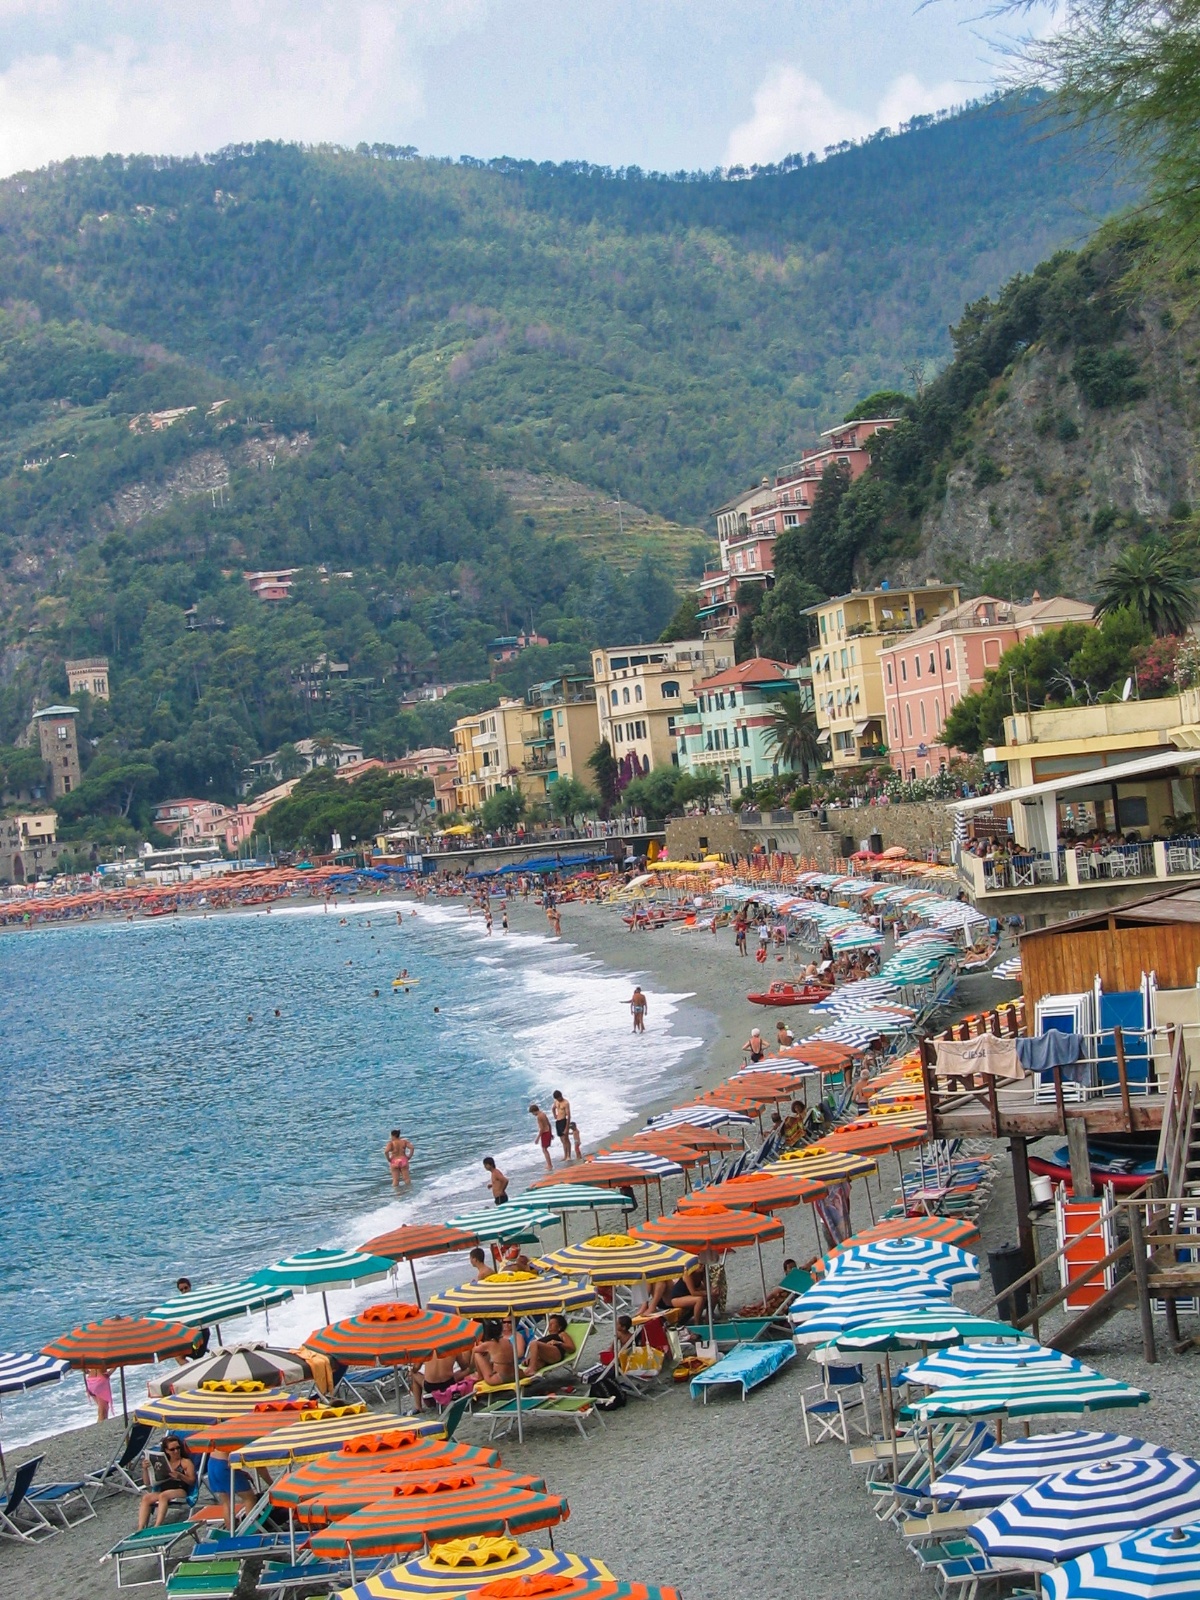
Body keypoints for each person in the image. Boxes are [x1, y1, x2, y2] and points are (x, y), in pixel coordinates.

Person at [137, 1434, 197, 1529]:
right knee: (146, 1497)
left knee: (163, 1496)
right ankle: (140, 1528)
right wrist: (145, 1469)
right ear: (166, 1450)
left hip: (180, 1490)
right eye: (172, 1449)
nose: (176, 1451)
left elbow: (192, 1481)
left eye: (178, 1448)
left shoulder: (185, 1462)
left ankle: (157, 1526)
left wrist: (180, 1475)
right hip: (164, 1490)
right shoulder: (161, 1462)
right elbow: (147, 1483)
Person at [206, 1454, 255, 1524]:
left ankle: (231, 1530)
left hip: (212, 1463)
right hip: (225, 1464)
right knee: (249, 1498)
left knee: (226, 1502)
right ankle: (252, 1528)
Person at [472, 1320, 521, 1385]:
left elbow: (474, 1350)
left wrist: (478, 1342)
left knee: (477, 1353)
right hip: (515, 1374)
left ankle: (480, 1376)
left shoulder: (488, 1344)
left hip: (501, 1377)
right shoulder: (507, 1341)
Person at [529, 1103, 554, 1170]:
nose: (533, 1114)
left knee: (544, 1150)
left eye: (532, 1113)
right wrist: (551, 1133)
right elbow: (549, 1124)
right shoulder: (543, 1114)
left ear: (534, 1111)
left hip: (545, 1133)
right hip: (548, 1131)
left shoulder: (539, 1117)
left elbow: (542, 1128)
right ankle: (549, 1164)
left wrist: (537, 1138)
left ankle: (549, 1165)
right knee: (545, 1149)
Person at [551, 1089, 572, 1160]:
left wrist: (567, 1128)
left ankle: (569, 1156)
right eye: (556, 1099)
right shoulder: (556, 1101)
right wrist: (554, 1115)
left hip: (564, 1121)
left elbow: (569, 1116)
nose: (558, 1099)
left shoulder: (566, 1103)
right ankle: (565, 1155)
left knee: (566, 1139)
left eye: (558, 1098)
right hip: (558, 1121)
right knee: (562, 1140)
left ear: (561, 1096)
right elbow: (553, 1108)